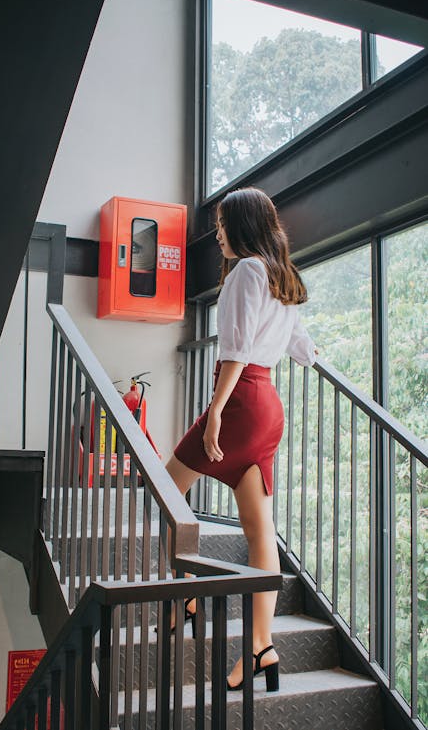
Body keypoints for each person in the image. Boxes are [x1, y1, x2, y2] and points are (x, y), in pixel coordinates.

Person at [166, 186, 317, 692]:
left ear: (244, 226)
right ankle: (260, 647)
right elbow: (301, 350)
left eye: (224, 224)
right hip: (267, 403)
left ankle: (185, 591)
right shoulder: (280, 275)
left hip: (242, 400)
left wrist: (213, 414)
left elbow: (235, 351)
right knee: (259, 532)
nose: (218, 234)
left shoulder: (247, 272)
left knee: (165, 491)